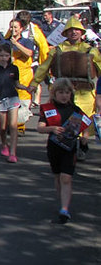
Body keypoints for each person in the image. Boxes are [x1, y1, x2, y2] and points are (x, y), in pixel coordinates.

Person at [29, 17, 101, 159]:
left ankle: (83, 145)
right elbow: (44, 67)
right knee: (66, 122)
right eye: (70, 30)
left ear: (81, 32)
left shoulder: (90, 50)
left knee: (85, 123)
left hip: (85, 93)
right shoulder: (57, 50)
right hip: (64, 92)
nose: (73, 32)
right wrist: (34, 83)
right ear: (65, 33)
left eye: (76, 30)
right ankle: (68, 150)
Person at [36, 78, 90, 223]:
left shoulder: (75, 110)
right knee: (58, 176)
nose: (64, 95)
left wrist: (85, 137)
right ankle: (61, 202)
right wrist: (52, 128)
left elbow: (85, 125)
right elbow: (40, 128)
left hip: (70, 148)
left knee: (66, 177)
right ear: (54, 93)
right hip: (54, 147)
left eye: (67, 92)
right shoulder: (48, 108)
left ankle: (64, 209)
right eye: (61, 92)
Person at [0, 43, 29, 163]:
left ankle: (13, 152)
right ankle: (4, 144)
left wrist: (27, 88)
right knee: (3, 127)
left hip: (13, 98)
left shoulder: (14, 69)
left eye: (6, 55)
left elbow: (17, 84)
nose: (4, 58)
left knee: (13, 125)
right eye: (1, 55)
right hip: (0, 99)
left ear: (10, 56)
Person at [8, 19, 36, 134]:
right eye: (11, 27)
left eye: (16, 27)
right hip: (9, 75)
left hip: (24, 76)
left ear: (21, 29)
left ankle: (19, 126)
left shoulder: (26, 41)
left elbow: (29, 53)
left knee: (23, 103)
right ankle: (11, 124)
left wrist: (16, 44)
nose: (13, 30)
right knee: (10, 103)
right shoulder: (6, 42)